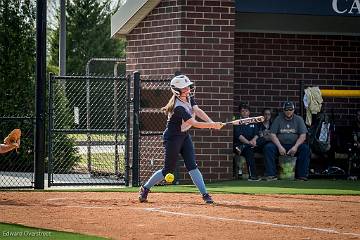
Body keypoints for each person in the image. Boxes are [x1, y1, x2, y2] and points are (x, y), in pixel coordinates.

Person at [138, 75, 224, 204]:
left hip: (184, 136)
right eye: (185, 88)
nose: (188, 89)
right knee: (168, 170)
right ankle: (145, 188)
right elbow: (193, 122)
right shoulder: (178, 107)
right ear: (177, 91)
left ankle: (205, 194)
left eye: (188, 86)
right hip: (173, 138)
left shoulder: (188, 97)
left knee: (192, 166)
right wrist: (212, 125)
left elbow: (197, 110)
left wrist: (212, 122)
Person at [263, 101, 310, 181]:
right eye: (287, 110)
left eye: (290, 109)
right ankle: (271, 174)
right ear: (283, 110)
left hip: (294, 145)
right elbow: (272, 134)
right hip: (280, 145)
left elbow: (303, 136)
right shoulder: (278, 118)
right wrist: (280, 147)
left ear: (293, 110)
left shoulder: (299, 119)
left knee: (305, 148)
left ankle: (301, 175)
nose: (288, 111)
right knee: (268, 148)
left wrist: (295, 147)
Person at [233, 103, 261, 181]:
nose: (245, 112)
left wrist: (253, 140)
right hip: (241, 145)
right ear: (240, 112)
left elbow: (257, 134)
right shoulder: (237, 122)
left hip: (252, 143)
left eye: (246, 111)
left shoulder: (253, 121)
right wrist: (249, 143)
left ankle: (270, 174)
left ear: (249, 112)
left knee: (264, 142)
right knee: (249, 151)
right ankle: (253, 176)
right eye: (242, 111)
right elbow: (239, 136)